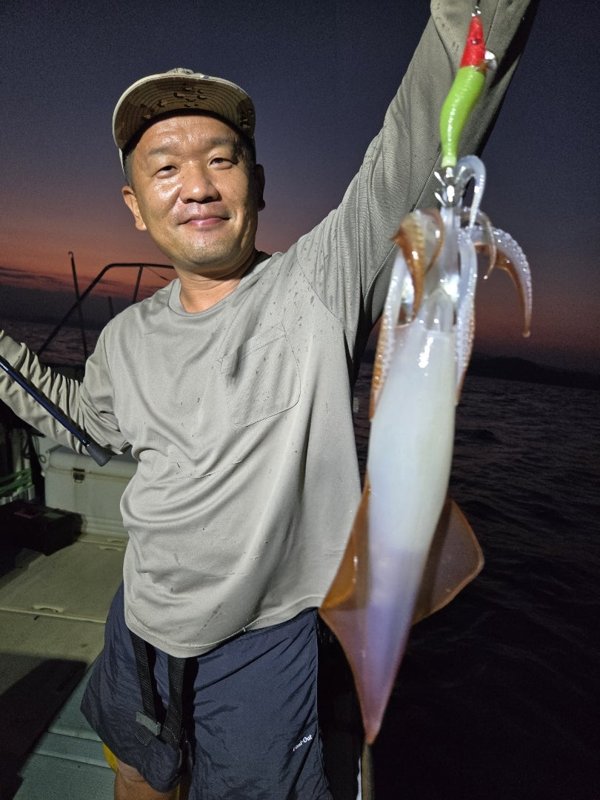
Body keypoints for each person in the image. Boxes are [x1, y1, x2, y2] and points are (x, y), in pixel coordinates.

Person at [0, 2, 536, 798]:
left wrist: (475, 17)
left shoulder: (320, 283)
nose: (197, 186)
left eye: (222, 160)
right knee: (137, 772)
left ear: (258, 183)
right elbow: (90, 426)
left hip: (260, 651)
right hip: (139, 619)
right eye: (165, 168)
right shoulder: (124, 338)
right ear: (135, 205)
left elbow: (418, 142)